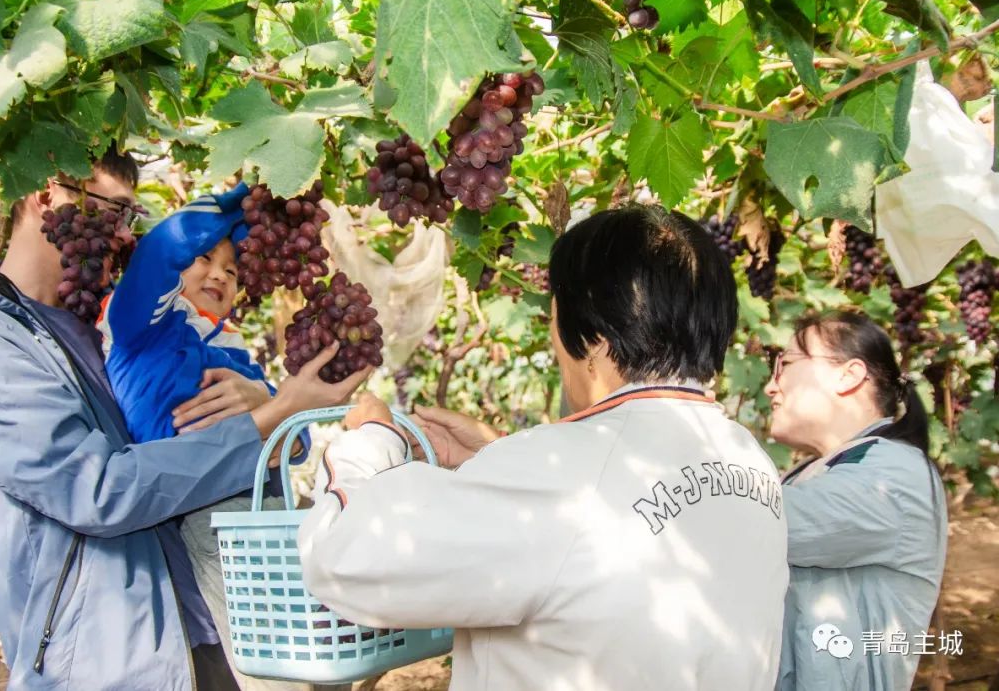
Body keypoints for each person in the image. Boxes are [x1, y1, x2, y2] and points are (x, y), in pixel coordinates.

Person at [0, 147, 359, 690]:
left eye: (132, 219)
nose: (127, 236)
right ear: (44, 195)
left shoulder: (96, 324)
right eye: (116, 211)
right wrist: (267, 420)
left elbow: (236, 432)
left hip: (204, 630)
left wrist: (261, 401)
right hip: (115, 663)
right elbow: (96, 491)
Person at [297, 205, 789, 690]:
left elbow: (347, 557)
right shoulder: (745, 456)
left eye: (555, 318)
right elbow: (601, 522)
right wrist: (497, 459)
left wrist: (371, 439)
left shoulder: (559, 478)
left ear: (595, 339)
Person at [95, 184, 366, 691]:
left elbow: (294, 439)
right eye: (204, 259)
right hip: (210, 515)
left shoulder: (231, 351)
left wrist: (266, 401)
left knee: (326, 661)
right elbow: (158, 253)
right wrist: (235, 204)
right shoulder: (141, 329)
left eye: (233, 269)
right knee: (276, 668)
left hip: (271, 508)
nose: (220, 272)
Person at [764, 311, 946, 691]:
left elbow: (758, 524)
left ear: (848, 375)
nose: (771, 386)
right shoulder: (824, 468)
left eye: (784, 364)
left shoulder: (894, 474)